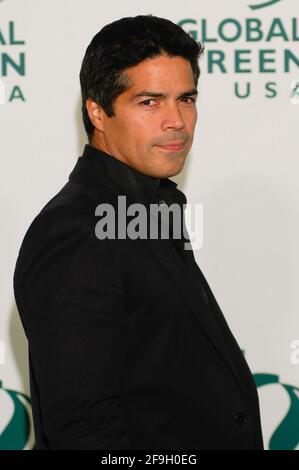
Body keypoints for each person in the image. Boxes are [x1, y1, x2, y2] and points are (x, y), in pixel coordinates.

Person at [13, 14, 264, 450]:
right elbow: (86, 434)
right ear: (97, 111)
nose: (177, 121)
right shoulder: (76, 232)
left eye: (186, 99)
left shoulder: (147, 208)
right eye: (149, 102)